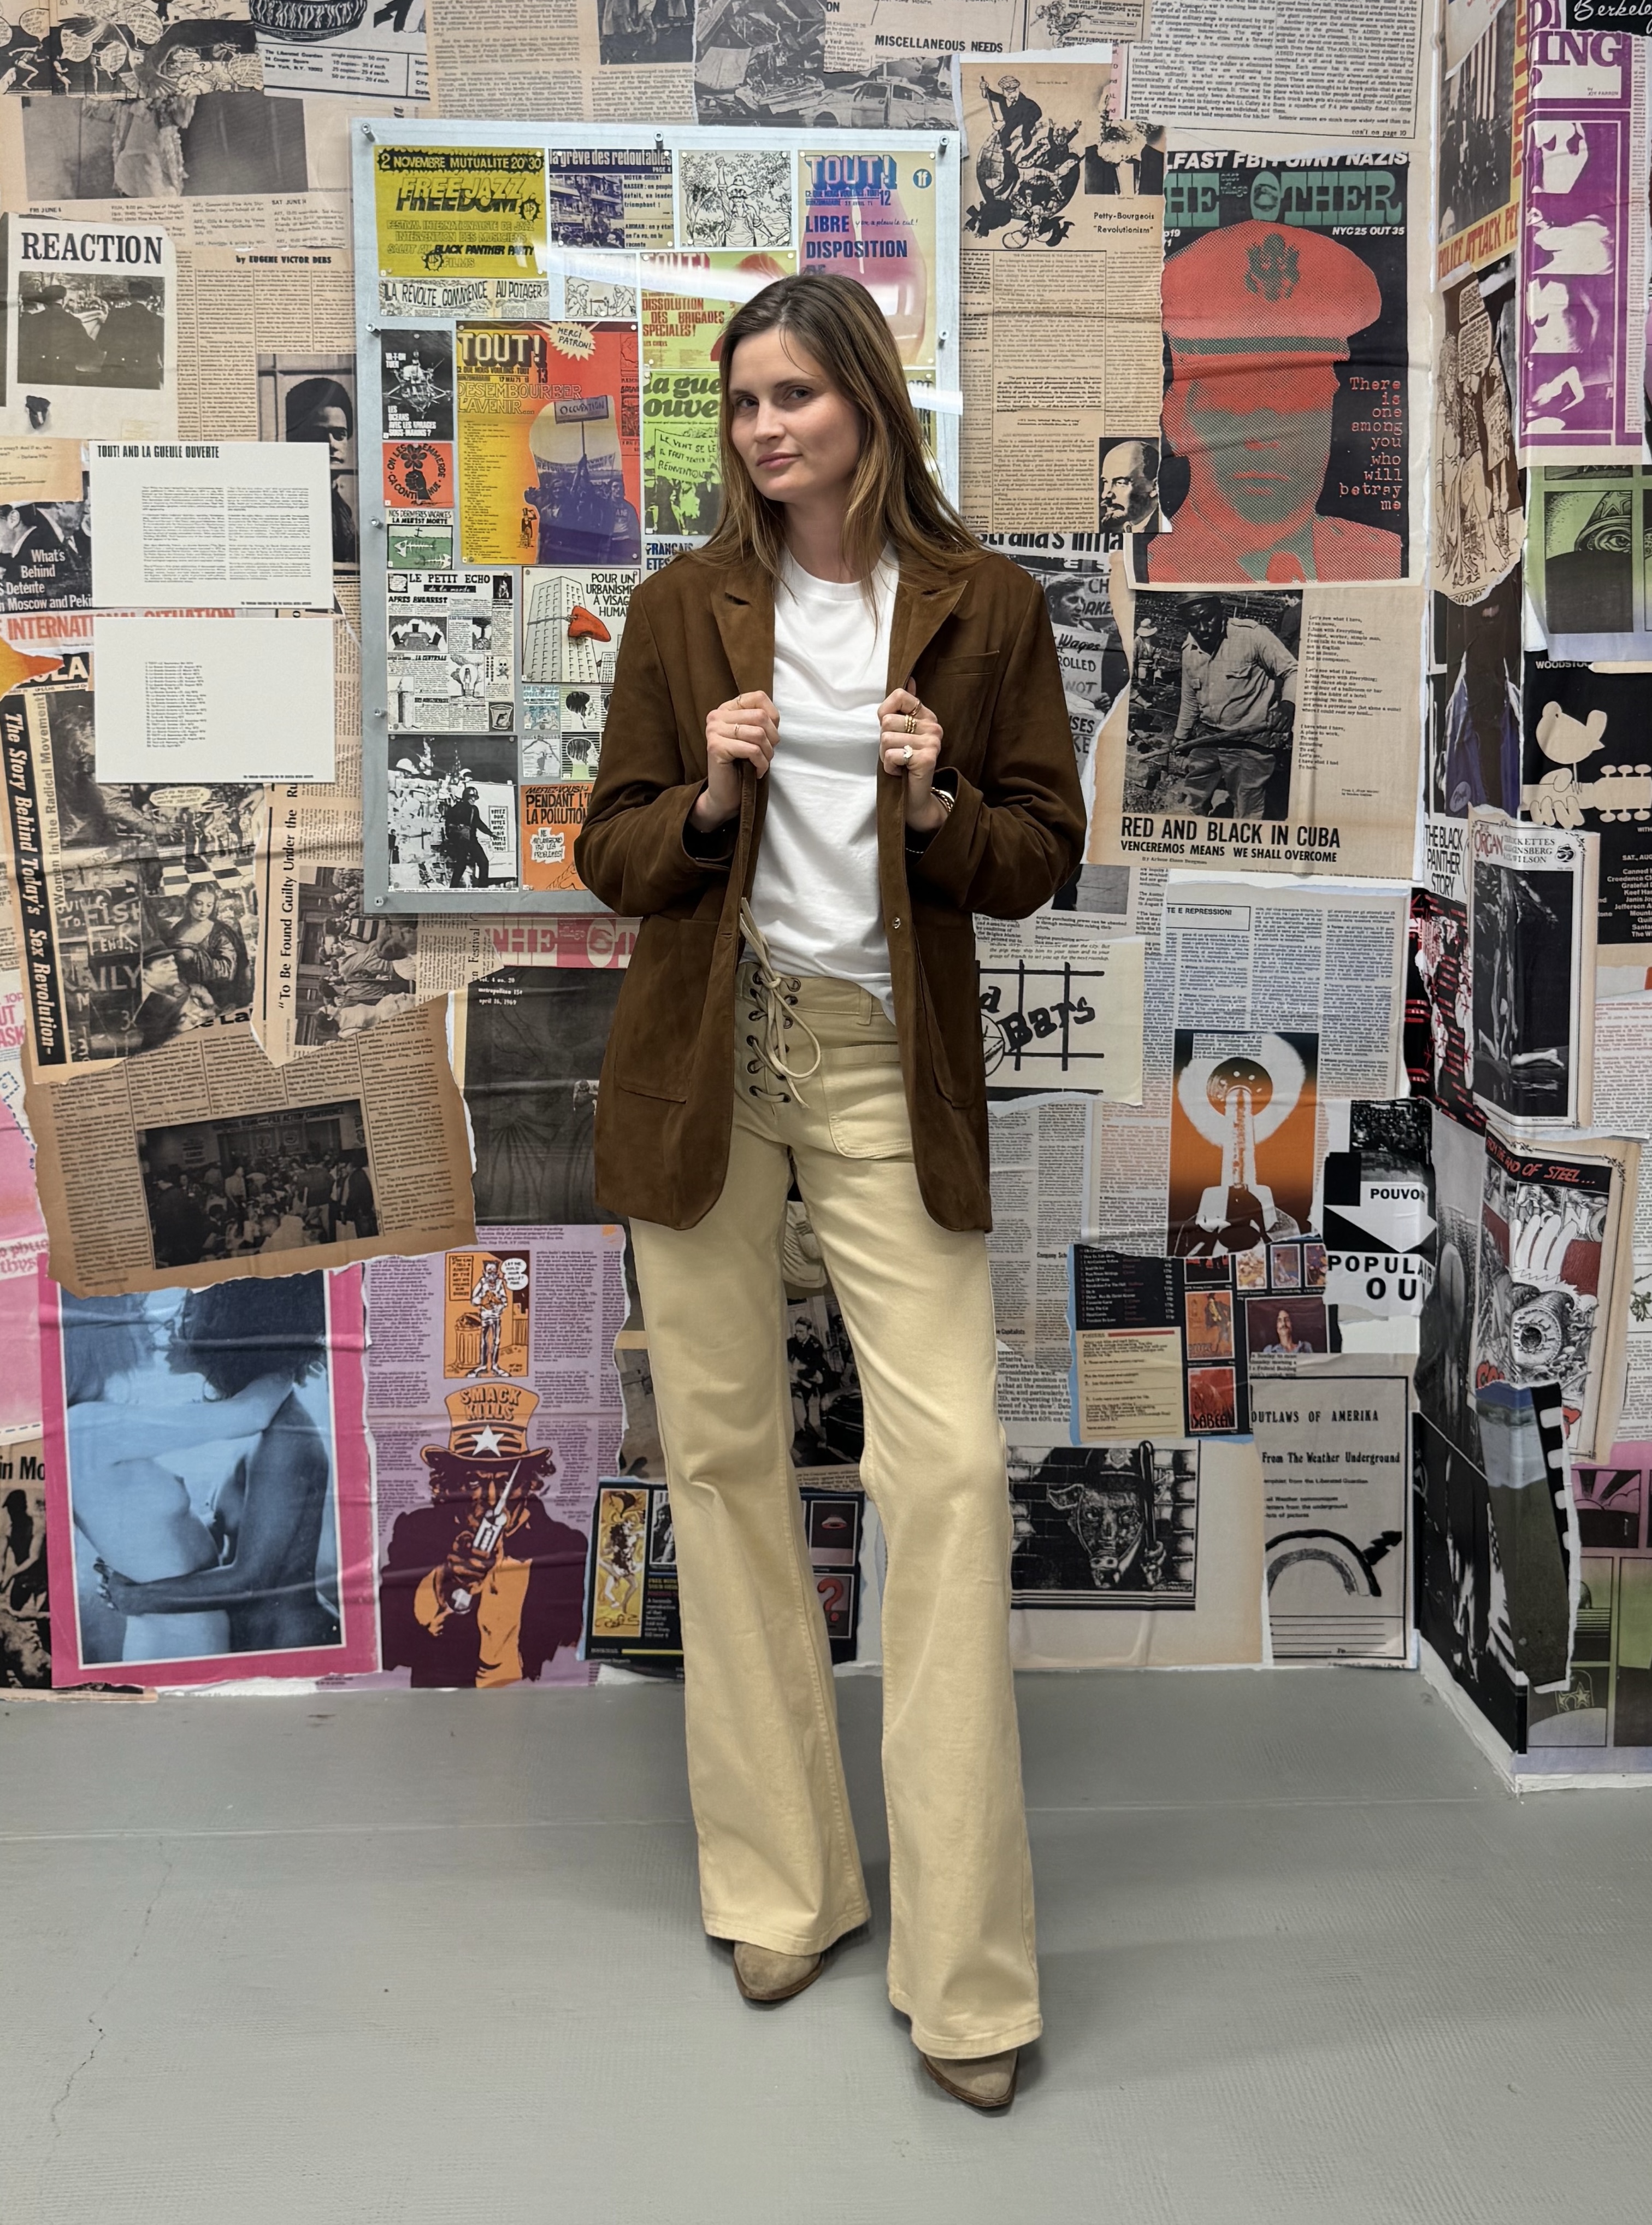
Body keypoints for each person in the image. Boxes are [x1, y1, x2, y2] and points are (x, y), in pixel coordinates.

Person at [574, 270, 1084, 2111]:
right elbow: (611, 849)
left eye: (794, 393)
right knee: (719, 1465)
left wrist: (941, 798)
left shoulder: (983, 608)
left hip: (881, 1066)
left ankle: (967, 1980)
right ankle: (783, 1882)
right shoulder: (678, 609)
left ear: (867, 401)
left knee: (941, 1472)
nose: (764, 426)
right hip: (713, 1068)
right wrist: (703, 803)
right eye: (741, 401)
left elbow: (1038, 856)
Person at [95, 1279, 339, 1655]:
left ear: (227, 1330)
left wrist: (141, 1598)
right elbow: (230, 1541)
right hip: (252, 1645)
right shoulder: (249, 1421)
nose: (170, 1324)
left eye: (190, 1313)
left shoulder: (285, 1436)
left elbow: (251, 1579)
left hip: (293, 1643)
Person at [1152, 220, 1403, 585]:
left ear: (1329, 418)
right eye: (1234, 400)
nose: (1263, 439)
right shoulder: (1154, 567)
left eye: (1299, 401)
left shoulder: (1381, 560)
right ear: (1177, 417)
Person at [1167, 596, 1298, 820]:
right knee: (1193, 795)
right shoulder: (1190, 649)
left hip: (1250, 740)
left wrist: (1288, 704)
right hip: (1208, 738)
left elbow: (1293, 670)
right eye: (1193, 622)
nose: (1203, 628)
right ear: (1186, 624)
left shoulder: (1251, 636)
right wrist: (1181, 736)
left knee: (1247, 805)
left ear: (1223, 612)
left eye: (1209, 618)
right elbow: (1190, 698)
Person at [285, 376, 358, 565]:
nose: (331, 445)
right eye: (318, 434)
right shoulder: (292, 503)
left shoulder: (341, 505)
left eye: (339, 434)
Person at [1099, 438, 1159, 531]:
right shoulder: (1129, 527)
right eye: (1106, 482)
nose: (1105, 495)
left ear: (1155, 487)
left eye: (1121, 483)